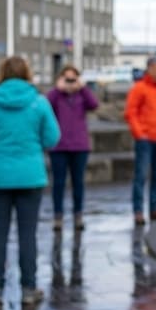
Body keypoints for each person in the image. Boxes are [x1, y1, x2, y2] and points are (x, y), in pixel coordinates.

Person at [0, 55, 61, 306]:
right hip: (30, 175)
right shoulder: (39, 103)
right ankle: (29, 288)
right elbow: (52, 138)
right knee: (27, 234)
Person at [47, 64, 99, 232]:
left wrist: (82, 88)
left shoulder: (82, 95)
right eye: (67, 79)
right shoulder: (56, 96)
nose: (70, 83)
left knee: (78, 183)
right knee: (58, 183)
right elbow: (46, 106)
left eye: (73, 79)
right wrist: (57, 89)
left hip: (79, 146)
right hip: (59, 146)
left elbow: (94, 104)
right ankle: (58, 216)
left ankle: (78, 215)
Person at [125, 56, 156, 225]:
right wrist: (140, 134)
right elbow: (130, 112)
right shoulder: (139, 88)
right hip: (145, 139)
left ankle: (154, 208)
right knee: (140, 175)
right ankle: (138, 211)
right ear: (150, 68)